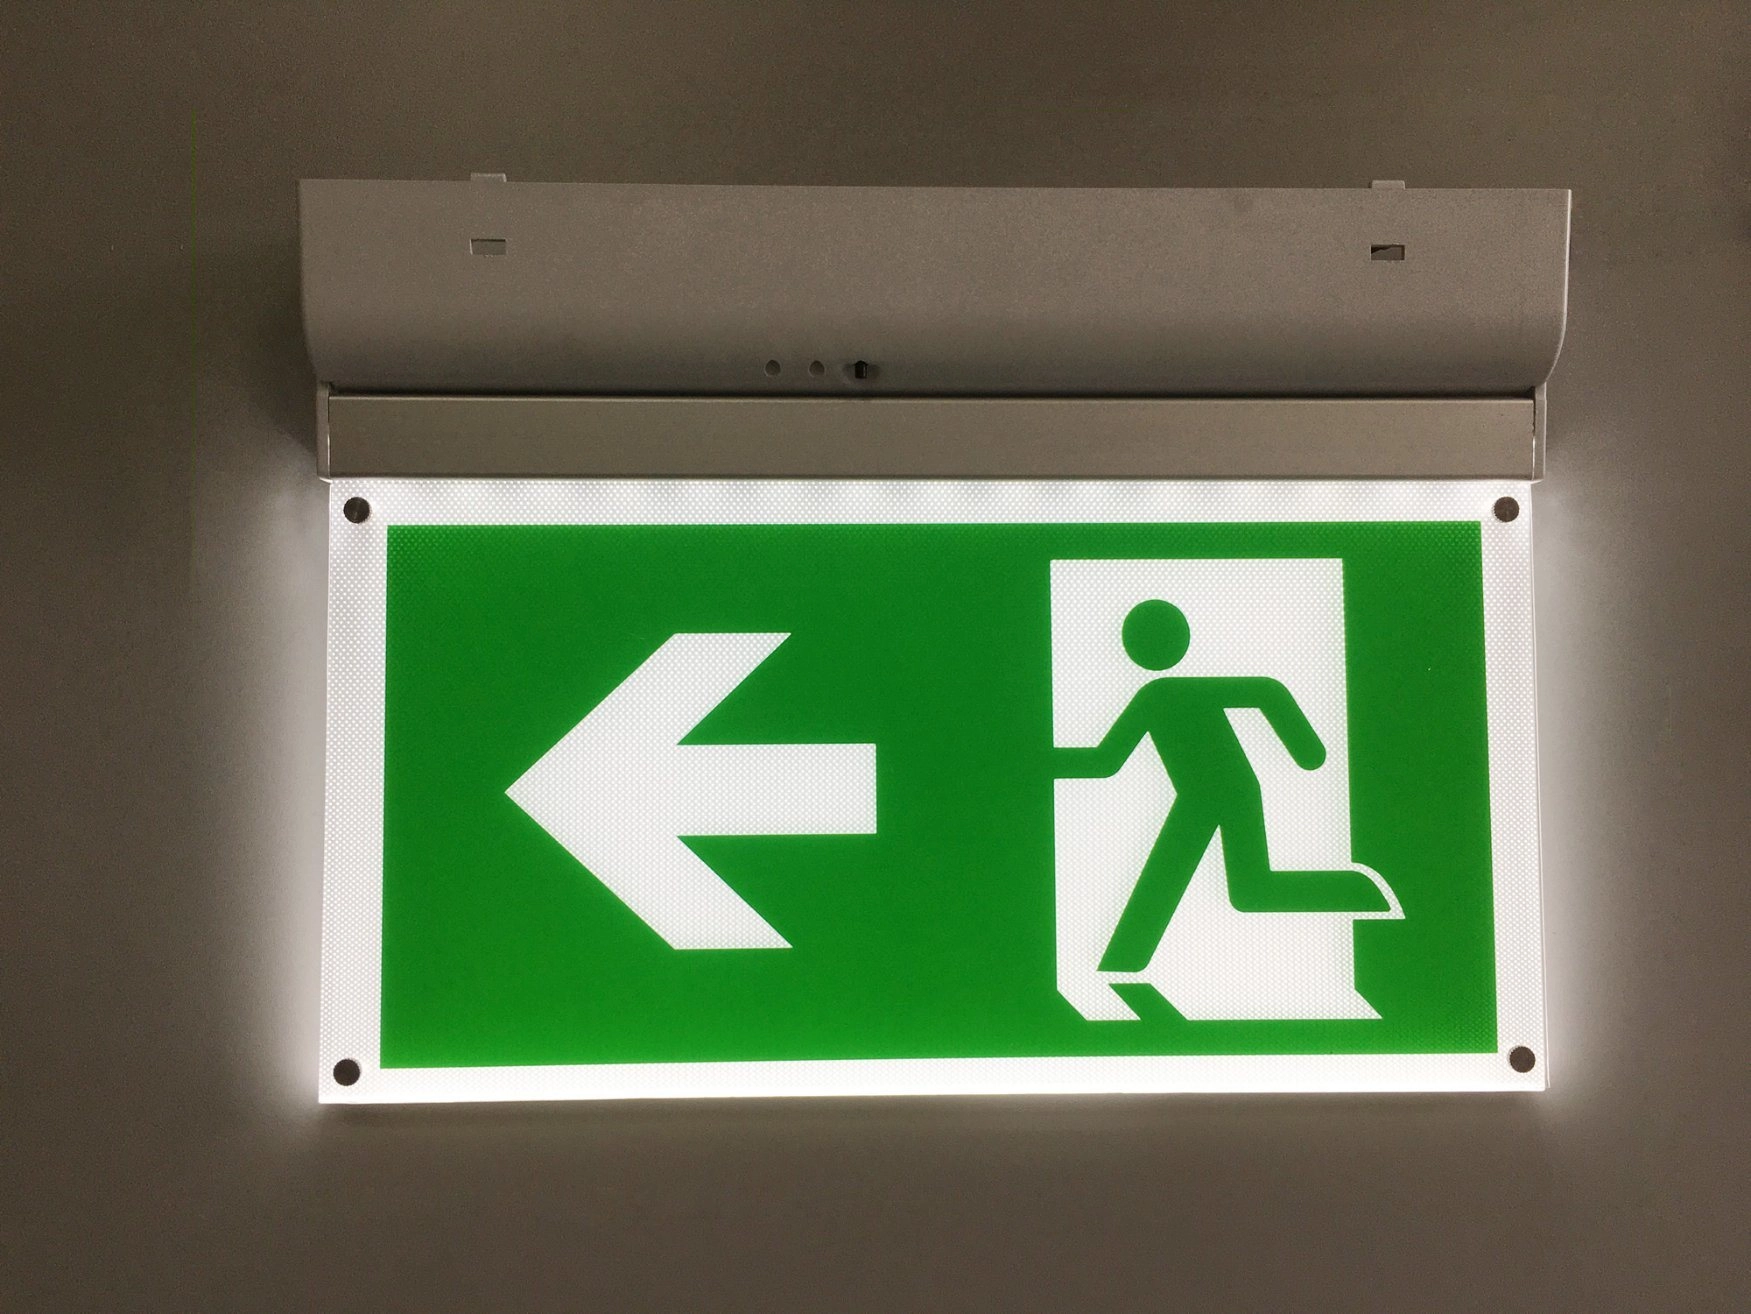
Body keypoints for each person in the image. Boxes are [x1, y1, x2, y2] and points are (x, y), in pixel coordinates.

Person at [1059, 599, 1388, 973]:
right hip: (1205, 796)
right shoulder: (1154, 696)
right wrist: (1305, 750)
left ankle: (1122, 963)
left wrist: (1306, 749)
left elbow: (1264, 692)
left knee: (1242, 888)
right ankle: (1359, 893)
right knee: (1250, 889)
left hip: (1230, 793)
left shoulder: (1158, 695)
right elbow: (1106, 760)